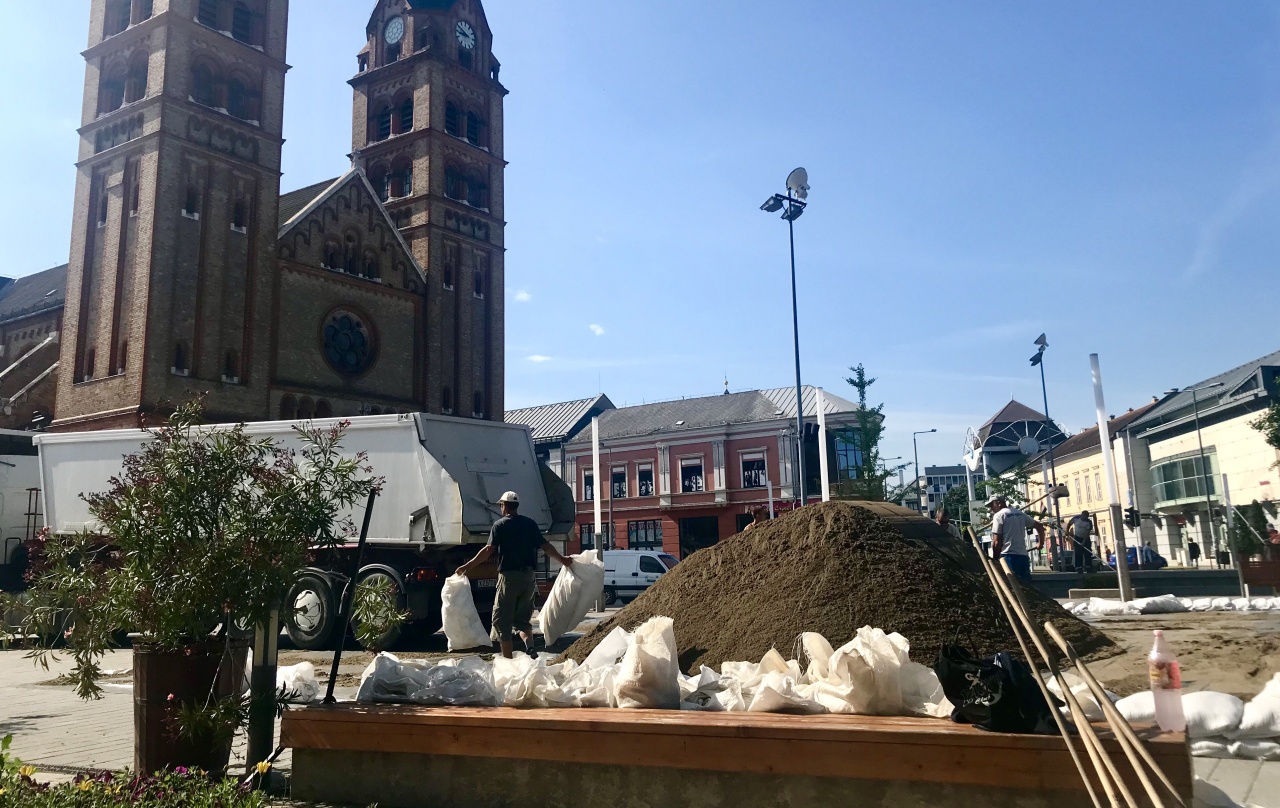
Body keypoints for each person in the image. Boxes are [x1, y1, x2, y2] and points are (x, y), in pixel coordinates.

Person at [456, 491, 574, 659]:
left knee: (502, 620)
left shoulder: (499, 525)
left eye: (501, 505)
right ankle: (530, 647)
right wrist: (563, 560)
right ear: (516, 506)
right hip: (528, 577)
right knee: (523, 619)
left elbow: (488, 551)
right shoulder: (529, 524)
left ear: (504, 506)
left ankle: (508, 660)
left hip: (509, 578)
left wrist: (467, 566)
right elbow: (546, 546)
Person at [986, 495, 1045, 582]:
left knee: (1012, 586)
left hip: (1008, 556)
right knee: (1027, 587)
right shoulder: (1019, 513)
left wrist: (995, 560)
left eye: (992, 505)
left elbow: (996, 541)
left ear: (998, 503)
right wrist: (1041, 543)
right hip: (1023, 556)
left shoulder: (999, 516)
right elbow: (1039, 526)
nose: (991, 509)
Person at [1066, 510, 1094, 574]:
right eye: (1084, 516)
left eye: (1086, 517)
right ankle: (1079, 567)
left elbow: (1088, 533)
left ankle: (1088, 567)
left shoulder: (1089, 522)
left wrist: (1084, 542)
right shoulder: (1076, 518)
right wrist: (1067, 531)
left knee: (1087, 552)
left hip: (1085, 538)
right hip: (1077, 537)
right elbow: (1069, 523)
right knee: (1078, 553)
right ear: (1082, 515)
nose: (1085, 518)